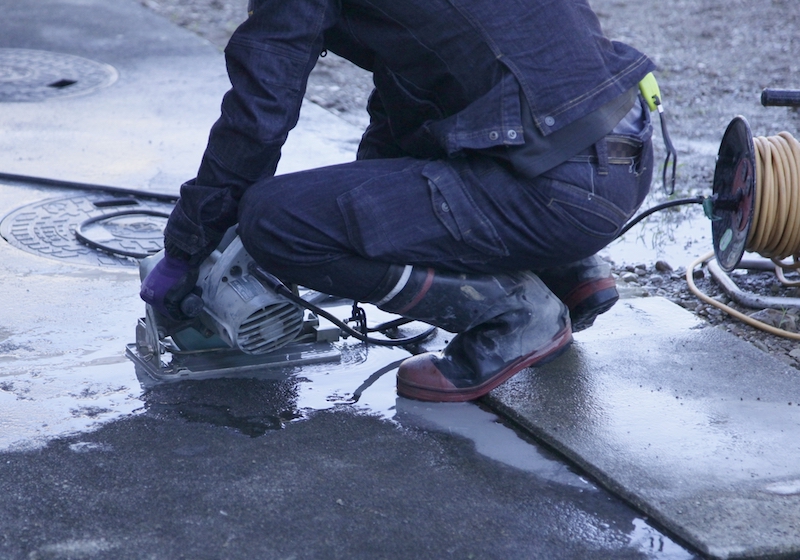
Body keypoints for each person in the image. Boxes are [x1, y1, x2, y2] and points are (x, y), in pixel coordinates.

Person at [140, 0, 655, 402]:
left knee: (273, 221)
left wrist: (189, 245)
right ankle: (569, 270)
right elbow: (408, 100)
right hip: (618, 164)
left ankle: (515, 312)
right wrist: (364, 221)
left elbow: (257, 116)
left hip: (554, 192)